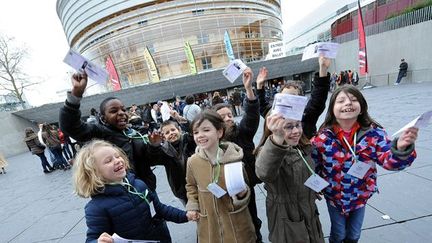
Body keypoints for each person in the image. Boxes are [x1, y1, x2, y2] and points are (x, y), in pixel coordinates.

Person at [311, 85, 418, 243]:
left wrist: (401, 149)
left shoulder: (375, 135)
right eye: (341, 101)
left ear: (361, 108)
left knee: (354, 235)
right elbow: (314, 166)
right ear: (332, 109)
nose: (348, 103)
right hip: (334, 197)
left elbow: (389, 161)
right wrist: (315, 187)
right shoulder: (322, 139)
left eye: (353, 100)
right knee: (338, 234)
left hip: (360, 196)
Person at [72, 140, 196, 243]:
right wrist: (99, 241)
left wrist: (185, 215)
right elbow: (92, 238)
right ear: (94, 172)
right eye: (108, 160)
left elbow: (160, 209)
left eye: (117, 156)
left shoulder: (139, 184)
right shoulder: (96, 207)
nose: (117, 160)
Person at [59, 72, 157, 191]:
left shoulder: (133, 133)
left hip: (146, 189)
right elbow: (70, 126)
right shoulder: (100, 133)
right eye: (114, 111)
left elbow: (150, 159)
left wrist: (154, 145)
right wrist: (75, 96)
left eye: (123, 109)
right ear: (103, 118)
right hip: (121, 195)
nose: (121, 113)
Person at [185, 110, 256, 243]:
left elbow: (245, 189)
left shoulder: (235, 159)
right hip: (209, 225)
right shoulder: (192, 162)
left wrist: (242, 194)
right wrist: (193, 205)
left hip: (236, 223)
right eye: (196, 132)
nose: (200, 135)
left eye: (206, 130)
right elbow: (191, 186)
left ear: (219, 132)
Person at [255, 112, 324, 243]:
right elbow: (264, 173)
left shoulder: (301, 147)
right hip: (286, 219)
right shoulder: (268, 152)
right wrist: (277, 139)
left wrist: (311, 190)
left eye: (298, 125)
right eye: (288, 127)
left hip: (309, 212)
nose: (296, 131)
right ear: (273, 129)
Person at [212, 67, 263, 242]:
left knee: (253, 221)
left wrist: (249, 89)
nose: (228, 118)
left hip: (246, 188)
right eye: (223, 117)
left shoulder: (242, 133)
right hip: (224, 194)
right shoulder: (212, 144)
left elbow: (252, 116)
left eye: (229, 115)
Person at [257, 56, 331, 139]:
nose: (289, 101)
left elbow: (319, 97)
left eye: (293, 97)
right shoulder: (274, 116)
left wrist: (323, 69)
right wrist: (259, 86)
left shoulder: (307, 116)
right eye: (285, 97)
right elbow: (262, 105)